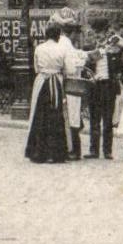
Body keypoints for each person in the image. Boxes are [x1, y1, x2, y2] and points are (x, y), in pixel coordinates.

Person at [24, 22, 71, 164]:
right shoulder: (61, 49)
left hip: (42, 82)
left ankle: (38, 152)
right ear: (58, 36)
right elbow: (67, 69)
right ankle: (55, 153)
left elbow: (36, 68)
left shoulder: (39, 48)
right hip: (56, 82)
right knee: (56, 116)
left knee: (40, 116)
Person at [85, 19, 123, 161]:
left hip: (108, 86)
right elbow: (84, 66)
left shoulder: (114, 46)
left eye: (101, 33)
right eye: (96, 34)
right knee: (94, 119)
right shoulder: (89, 47)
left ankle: (107, 151)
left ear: (106, 33)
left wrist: (116, 42)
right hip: (94, 85)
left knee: (107, 120)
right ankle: (93, 150)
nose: (98, 36)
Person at [52, 8, 88, 159]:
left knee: (69, 116)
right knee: (72, 116)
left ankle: (71, 149)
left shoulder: (63, 43)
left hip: (65, 83)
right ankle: (73, 149)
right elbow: (72, 66)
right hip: (71, 83)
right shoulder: (67, 44)